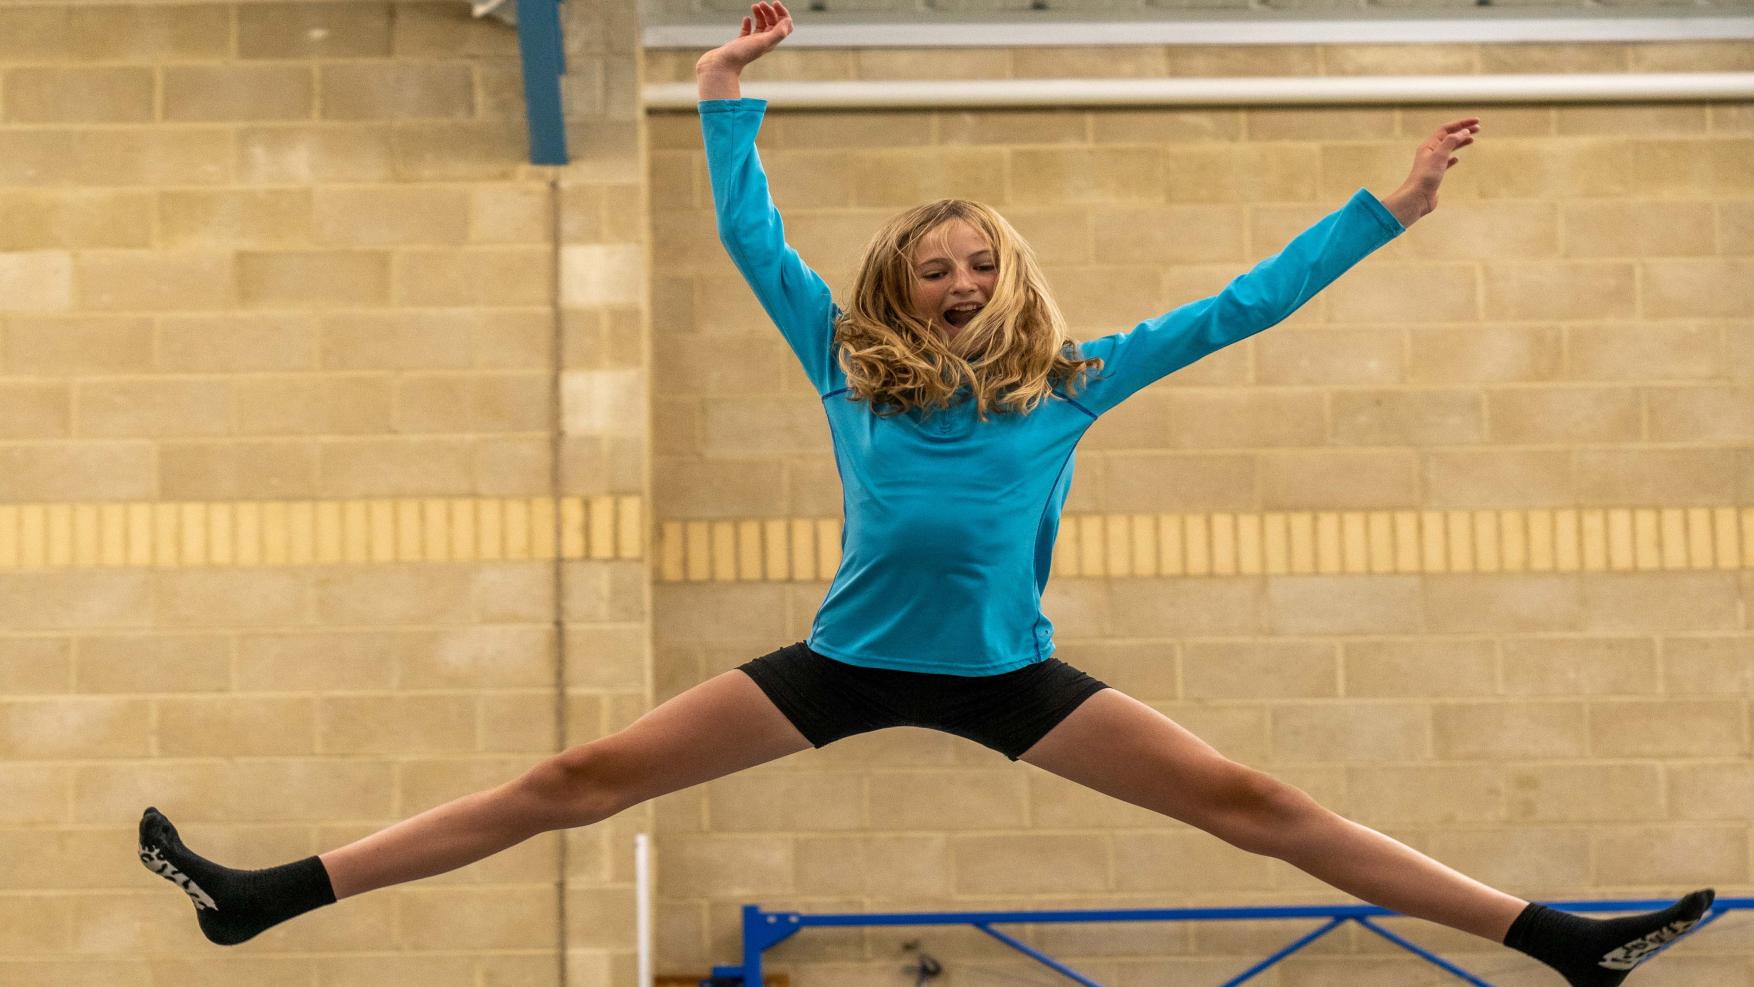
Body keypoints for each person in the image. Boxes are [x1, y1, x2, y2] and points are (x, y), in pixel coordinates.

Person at [138, 4, 1713, 984]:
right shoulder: (845, 364)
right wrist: (719, 95)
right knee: (576, 778)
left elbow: (1243, 304)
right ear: (902, 287)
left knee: (1262, 813)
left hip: (1011, 678)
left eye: (973, 266)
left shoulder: (1076, 376)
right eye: (928, 267)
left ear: (1003, 280)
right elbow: (753, 238)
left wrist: (1390, 203)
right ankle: (272, 896)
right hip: (837, 666)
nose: (952, 283)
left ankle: (1553, 939)